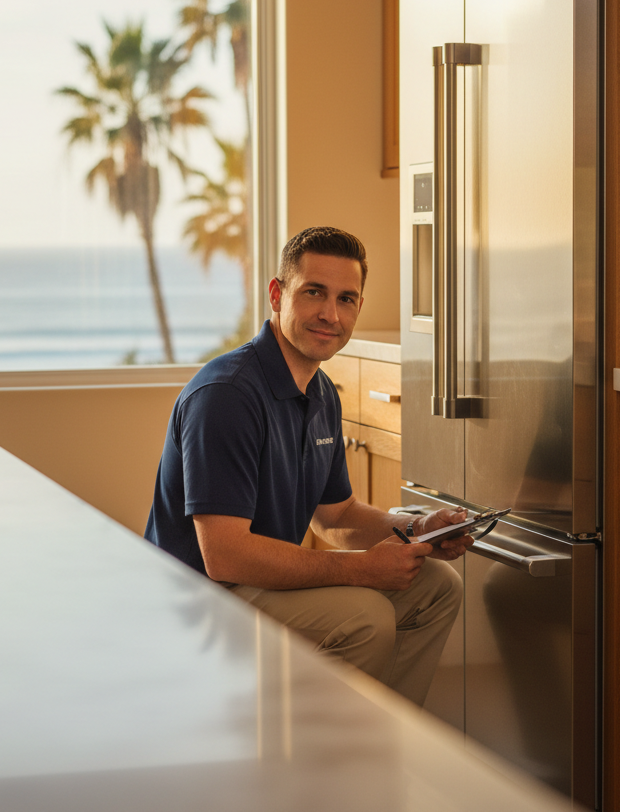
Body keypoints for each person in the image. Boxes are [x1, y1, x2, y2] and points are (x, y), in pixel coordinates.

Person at [145, 226, 471, 705]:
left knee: (437, 587)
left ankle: (384, 745)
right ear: (278, 295)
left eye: (347, 299)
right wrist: (362, 570)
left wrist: (416, 526)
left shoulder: (320, 393)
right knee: (366, 617)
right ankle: (323, 764)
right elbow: (225, 557)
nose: (330, 314)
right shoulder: (227, 396)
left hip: (253, 584)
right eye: (314, 293)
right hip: (200, 601)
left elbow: (335, 517)